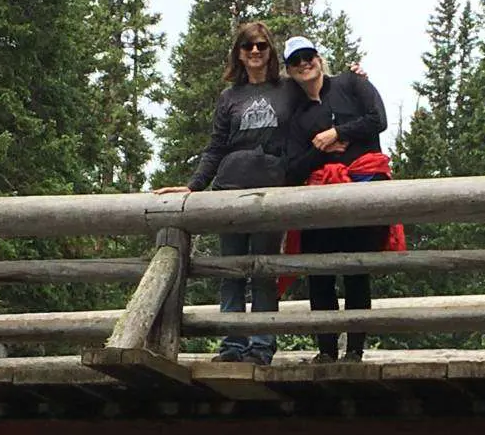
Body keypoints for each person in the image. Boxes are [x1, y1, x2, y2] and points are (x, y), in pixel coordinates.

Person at [154, 22, 294, 365]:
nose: (255, 51)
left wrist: (356, 80)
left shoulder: (288, 90)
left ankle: (261, 346)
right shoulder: (229, 97)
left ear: (270, 51)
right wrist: (192, 186)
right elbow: (216, 147)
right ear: (239, 54)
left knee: (263, 270)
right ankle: (232, 345)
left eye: (261, 45)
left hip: (272, 191)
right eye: (248, 46)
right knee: (230, 270)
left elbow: (323, 92)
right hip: (229, 190)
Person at [281, 36, 403, 363]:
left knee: (356, 271)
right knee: (319, 274)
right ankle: (326, 351)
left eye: (308, 56)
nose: (304, 63)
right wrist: (318, 148)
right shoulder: (297, 115)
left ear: (319, 58)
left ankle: (355, 351)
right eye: (296, 61)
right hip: (319, 203)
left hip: (362, 192)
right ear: (289, 71)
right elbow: (292, 169)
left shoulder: (351, 82)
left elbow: (379, 119)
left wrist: (338, 132)